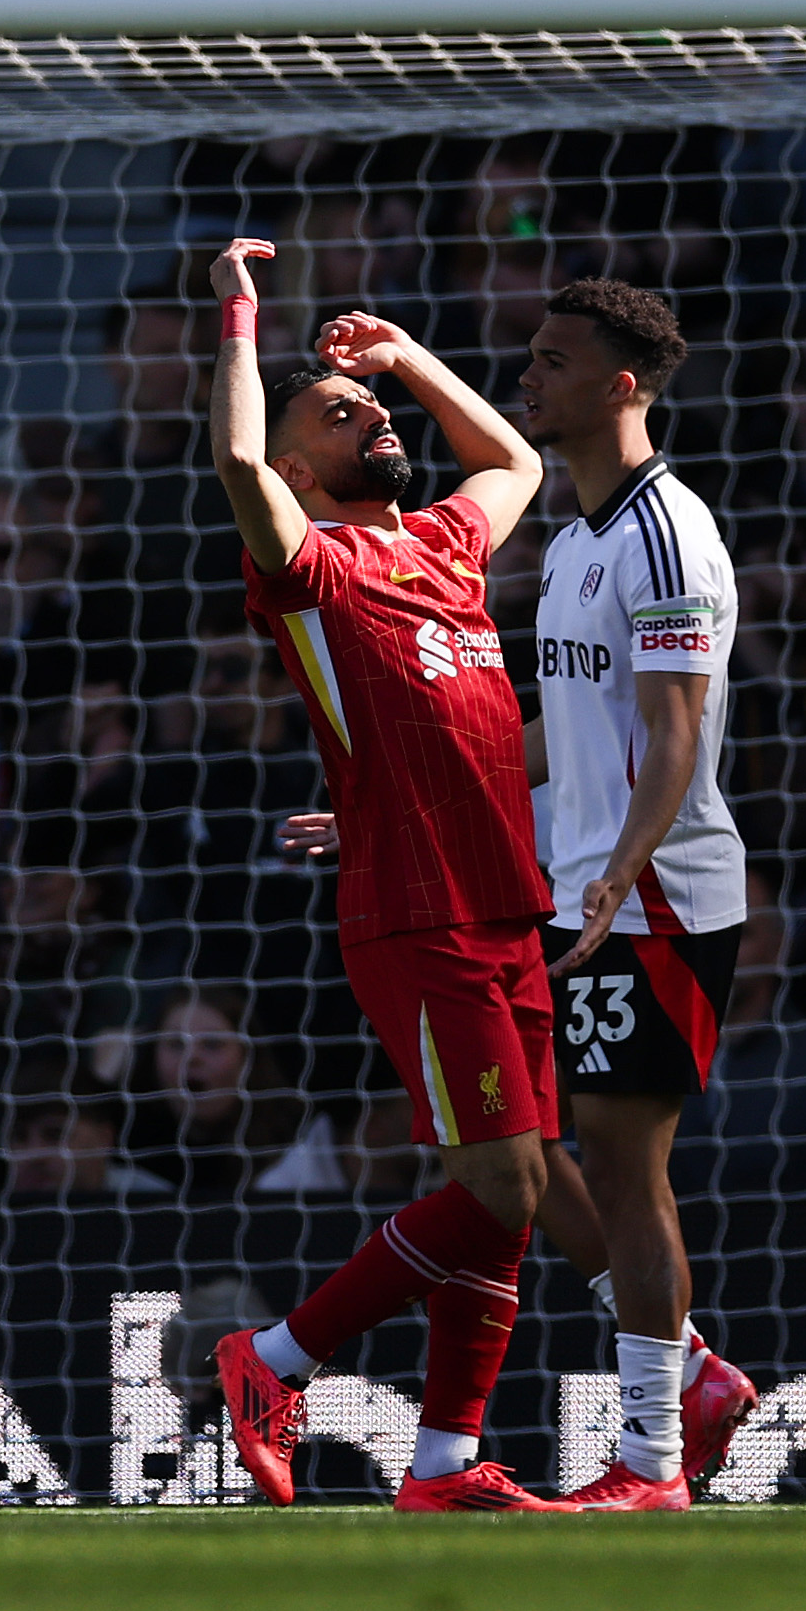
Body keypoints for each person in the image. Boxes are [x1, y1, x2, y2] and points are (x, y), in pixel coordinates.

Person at [202, 234, 576, 1511]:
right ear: (305, 466)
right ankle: (272, 1356)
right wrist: (243, 328)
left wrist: (406, 356)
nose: (368, 413)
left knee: (511, 1195)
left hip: (510, 906)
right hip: (420, 919)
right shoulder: (307, 569)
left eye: (371, 405)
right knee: (505, 1181)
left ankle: (442, 1463)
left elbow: (514, 459)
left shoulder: (445, 545)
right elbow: (240, 460)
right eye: (340, 409)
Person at [513, 283, 765, 1501]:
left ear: (622, 385)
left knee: (618, 1159)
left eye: (555, 361)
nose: (531, 377)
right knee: (515, 1144)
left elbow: (676, 733)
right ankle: (693, 1376)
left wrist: (623, 868)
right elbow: (559, 737)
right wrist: (393, 801)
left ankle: (654, 1456)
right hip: (582, 891)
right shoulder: (571, 543)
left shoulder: (670, 532)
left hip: (656, 893)